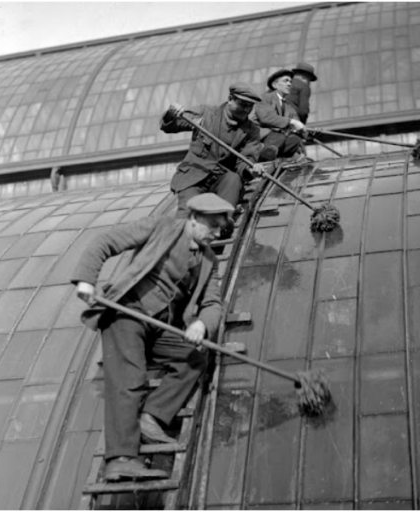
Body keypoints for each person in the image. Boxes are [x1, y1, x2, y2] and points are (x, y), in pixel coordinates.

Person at [71, 194, 232, 481]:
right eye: (213, 225)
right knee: (129, 378)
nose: (218, 233)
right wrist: (86, 279)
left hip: (161, 327)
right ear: (193, 219)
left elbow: (212, 304)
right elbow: (105, 242)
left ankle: (153, 416)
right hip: (128, 312)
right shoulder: (160, 227)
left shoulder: (209, 261)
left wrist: (202, 327)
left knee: (195, 356)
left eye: (221, 228)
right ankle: (121, 458)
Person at [161, 82, 267, 219]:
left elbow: (246, 161)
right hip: (193, 177)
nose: (247, 110)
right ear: (230, 99)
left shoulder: (252, 130)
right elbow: (171, 126)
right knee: (187, 217)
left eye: (250, 106)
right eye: (243, 105)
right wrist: (171, 115)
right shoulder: (205, 113)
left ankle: (222, 221)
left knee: (233, 179)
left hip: (222, 180)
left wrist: (251, 169)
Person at [252, 69, 307, 159]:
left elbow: (298, 123)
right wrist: (291, 122)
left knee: (294, 140)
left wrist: (305, 132)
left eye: (290, 81)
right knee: (279, 136)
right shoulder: (265, 98)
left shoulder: (289, 108)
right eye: (285, 81)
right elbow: (266, 117)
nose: (289, 84)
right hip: (259, 139)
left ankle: (276, 156)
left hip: (278, 141)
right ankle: (265, 157)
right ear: (275, 85)